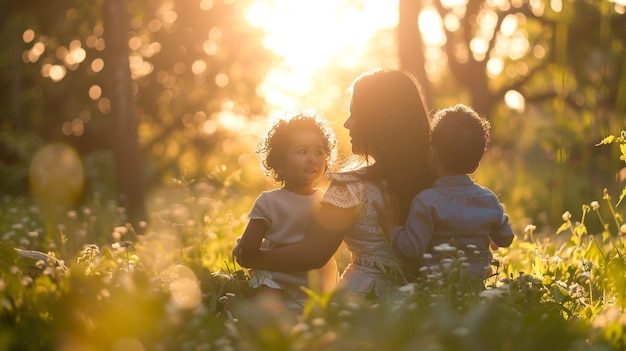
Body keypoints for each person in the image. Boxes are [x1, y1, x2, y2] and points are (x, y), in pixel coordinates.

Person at [235, 69, 434, 299]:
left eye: (355, 114)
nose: (347, 124)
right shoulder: (436, 179)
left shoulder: (350, 187)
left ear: (378, 121)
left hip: (363, 295)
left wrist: (251, 257)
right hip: (422, 298)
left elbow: (313, 254)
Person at [382, 104, 514, 280]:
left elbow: (412, 249)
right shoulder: (489, 199)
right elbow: (506, 238)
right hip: (474, 290)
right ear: (475, 166)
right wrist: (491, 230)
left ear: (432, 154)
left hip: (437, 292)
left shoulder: (426, 202)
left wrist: (391, 229)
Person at [232, 112, 339, 313]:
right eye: (302, 151)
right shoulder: (269, 202)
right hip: (277, 280)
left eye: (319, 152)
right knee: (270, 313)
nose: (312, 159)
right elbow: (248, 250)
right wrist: (240, 250)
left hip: (318, 280)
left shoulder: (326, 200)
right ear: (280, 164)